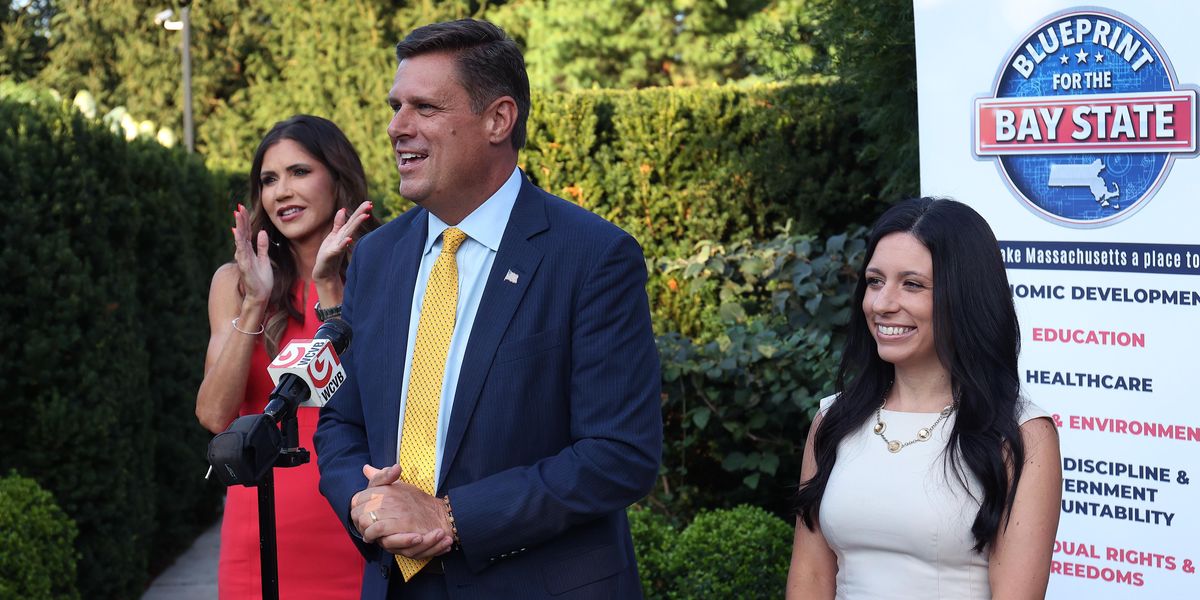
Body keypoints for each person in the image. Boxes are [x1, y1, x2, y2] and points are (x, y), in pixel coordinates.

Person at [313, 18, 662, 600]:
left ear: (499, 119)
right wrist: (364, 501)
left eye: (424, 108)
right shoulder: (376, 257)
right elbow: (342, 420)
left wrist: (452, 519)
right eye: (396, 106)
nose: (397, 127)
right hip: (396, 586)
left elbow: (619, 453)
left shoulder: (593, 256)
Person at [786, 198, 1062, 599]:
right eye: (875, 281)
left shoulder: (1020, 435)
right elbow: (809, 576)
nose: (882, 304)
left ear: (964, 297)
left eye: (912, 284)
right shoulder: (833, 419)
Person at [196, 114, 379, 599]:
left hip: (364, 520)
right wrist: (256, 301)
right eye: (269, 180)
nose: (281, 192)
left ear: (337, 177)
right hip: (260, 527)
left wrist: (328, 287)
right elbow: (216, 417)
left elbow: (381, 394)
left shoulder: (386, 270)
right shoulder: (232, 284)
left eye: (299, 172)